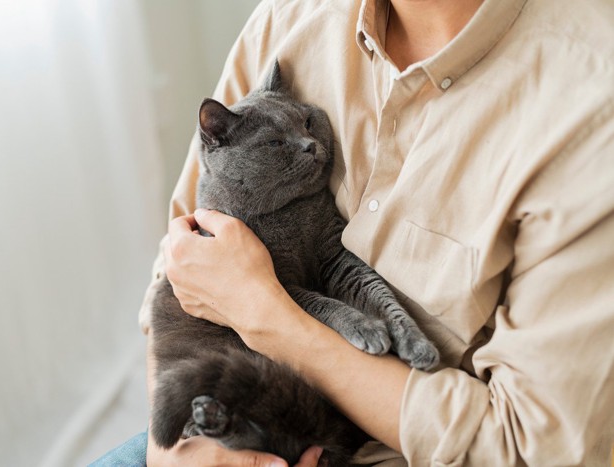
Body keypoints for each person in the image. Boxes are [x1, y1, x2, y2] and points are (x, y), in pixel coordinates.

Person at [91, 0, 614, 465]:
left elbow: (531, 448)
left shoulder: (590, 103)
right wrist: (175, 453)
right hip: (211, 423)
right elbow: (178, 264)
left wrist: (269, 317)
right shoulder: (286, 21)